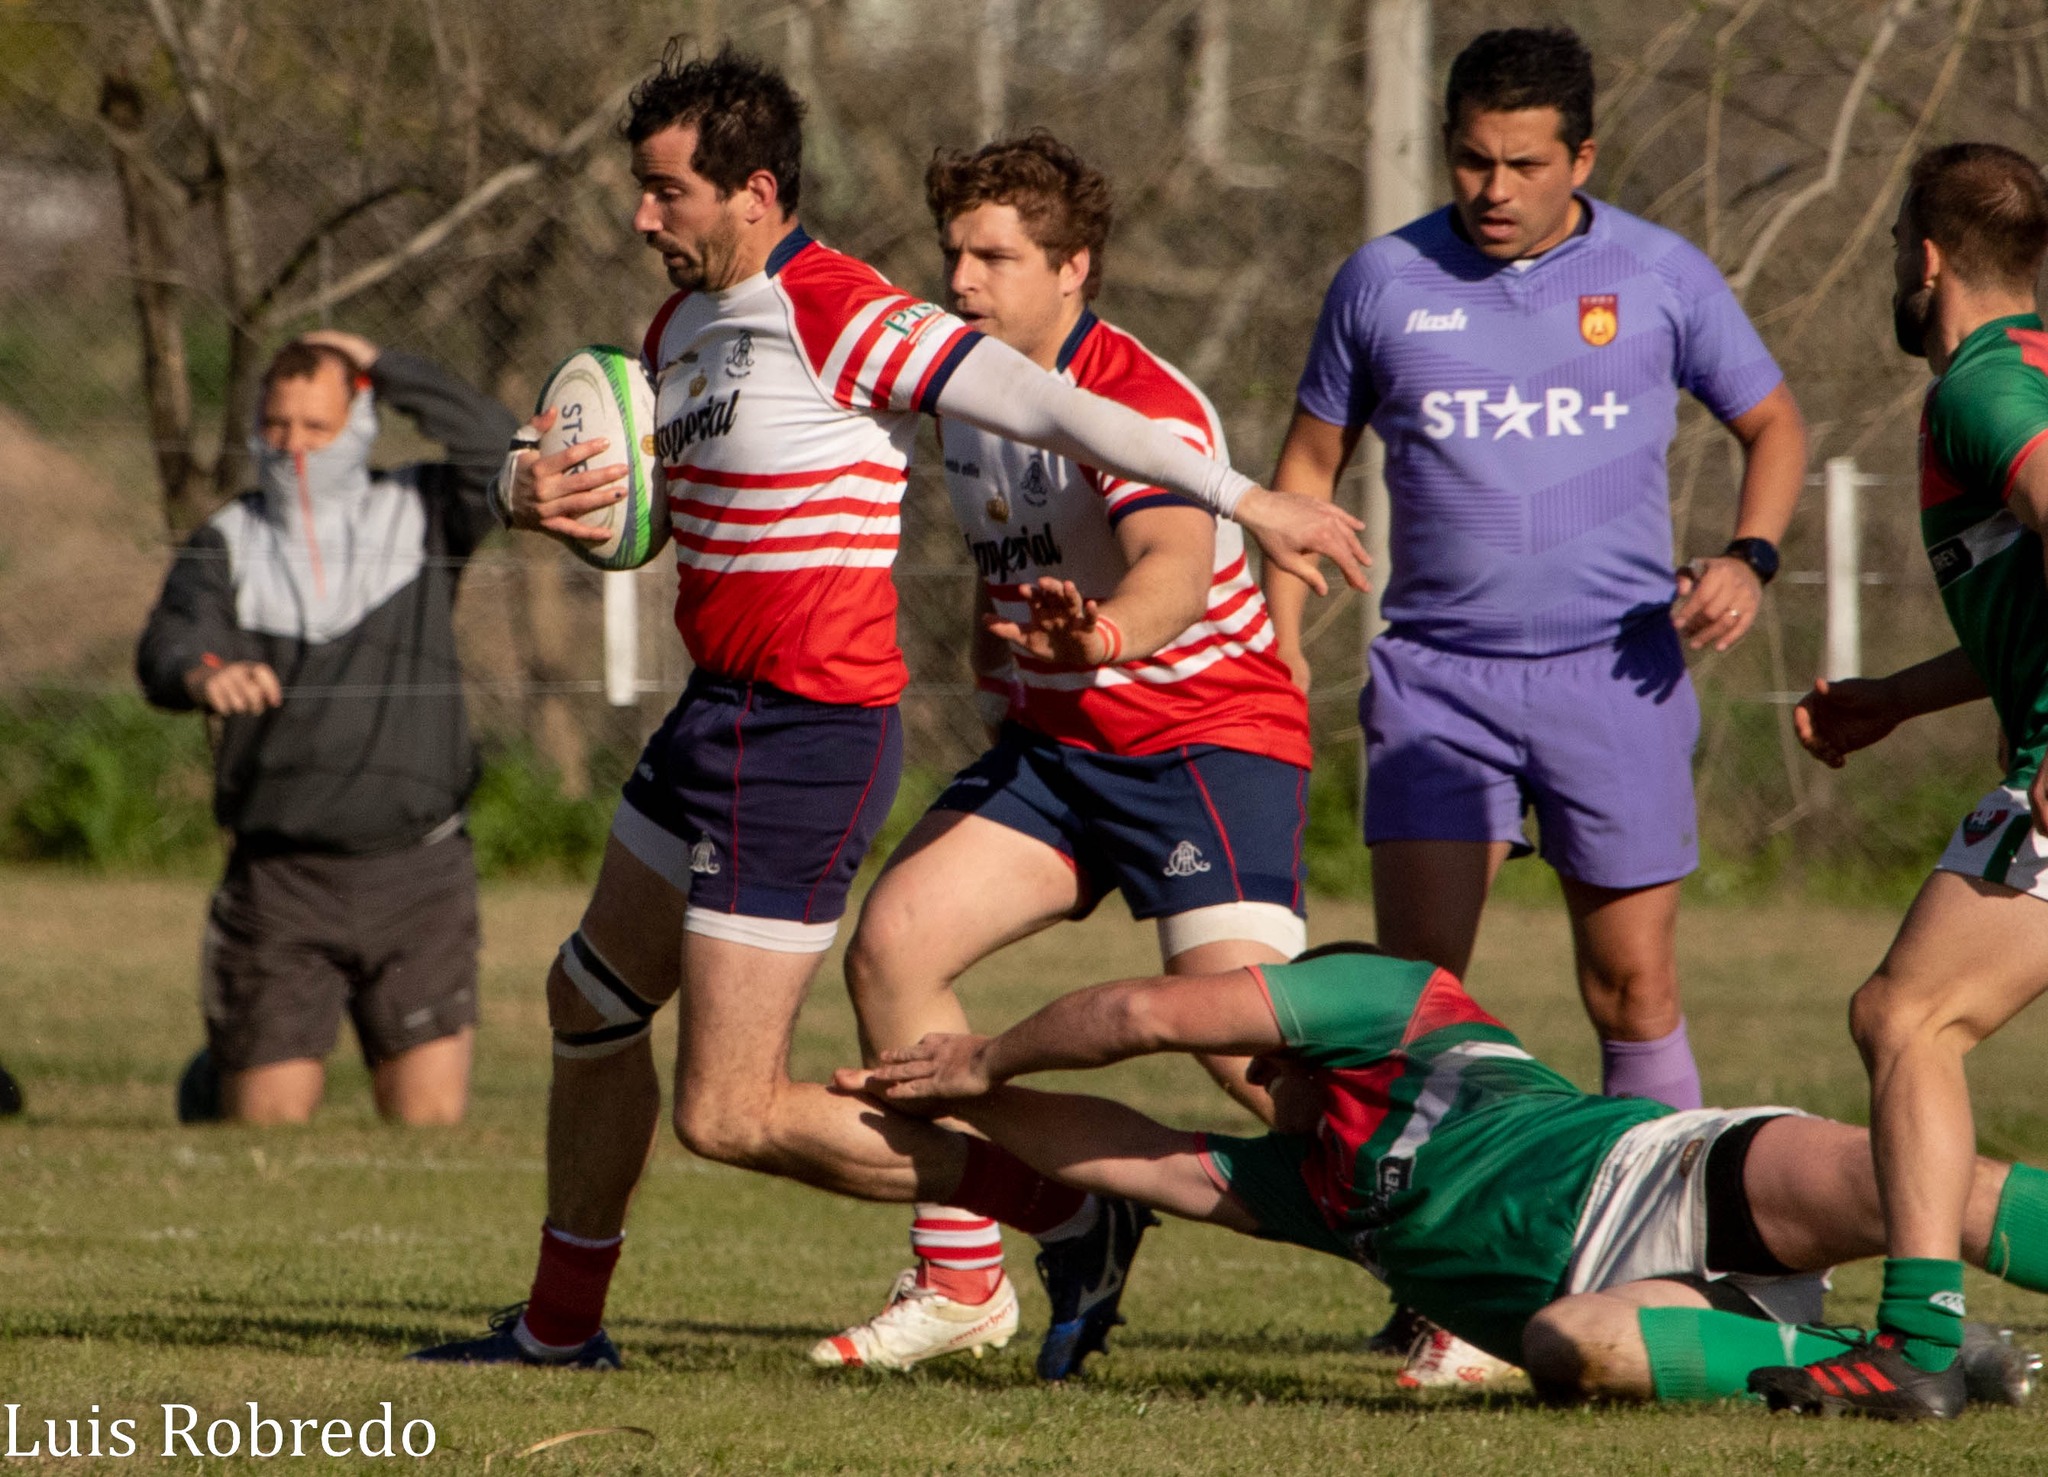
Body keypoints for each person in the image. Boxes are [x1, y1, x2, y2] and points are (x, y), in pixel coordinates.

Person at [410, 45, 1366, 1370]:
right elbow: (625, 496)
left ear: (752, 191)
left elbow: (1049, 399)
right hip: (716, 716)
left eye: (664, 191)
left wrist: (1248, 499)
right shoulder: (671, 332)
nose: (640, 217)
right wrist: (534, 491)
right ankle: (560, 1326)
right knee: (587, 1000)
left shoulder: (839, 308)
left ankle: (1066, 1206)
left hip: (805, 733)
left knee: (732, 1114)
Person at [1264, 26, 1808, 1374]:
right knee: (1421, 999)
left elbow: (1776, 424)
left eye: (1523, 164)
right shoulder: (1385, 279)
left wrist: (1748, 556)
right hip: (1435, 681)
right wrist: (1273, 641)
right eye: (1470, 160)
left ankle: (1659, 1263)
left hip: (1612, 675)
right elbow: (1305, 468)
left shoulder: (1659, 274)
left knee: (1632, 986)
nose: (1493, 189)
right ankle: (1445, 1287)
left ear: (1583, 159)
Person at [812, 132, 1313, 1377]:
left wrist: (1103, 635)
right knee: (892, 951)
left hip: (1203, 735)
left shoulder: (1138, 399)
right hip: (1061, 746)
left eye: (994, 256)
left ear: (1073, 266)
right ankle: (966, 1275)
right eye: (952, 254)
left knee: (1248, 1056)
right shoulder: (965, 389)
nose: (962, 280)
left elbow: (1176, 572)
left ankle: (1441, 1267)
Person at [839, 943, 2047, 1414]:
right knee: (1573, 1350)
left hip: (1669, 1170)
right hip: (1624, 1290)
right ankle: (1938, 1364)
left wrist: (987, 1050)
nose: (1254, 1069)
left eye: (1267, 1046)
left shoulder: (1402, 1003)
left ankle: (1930, 1323)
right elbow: (1112, 1147)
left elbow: (1142, 1010)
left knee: (1924, 1191)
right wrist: (964, 1100)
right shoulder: (1304, 1189)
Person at [1762, 143, 2048, 1419]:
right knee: (1904, 1018)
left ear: (1922, 258)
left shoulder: (1979, 390)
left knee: (1906, 1016)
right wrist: (1894, 696)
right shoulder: (2030, 369)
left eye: (1892, 248)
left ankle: (1917, 1344)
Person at [136, 330, 514, 1126]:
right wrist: (206, 671)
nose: (296, 448)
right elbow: (167, 643)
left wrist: (387, 361)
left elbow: (495, 447)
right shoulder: (228, 539)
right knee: (263, 1128)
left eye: (318, 427)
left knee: (429, 1126)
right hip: (280, 886)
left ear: (362, 422)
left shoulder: (422, 509)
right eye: (277, 426)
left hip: (421, 876)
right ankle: (219, 1077)